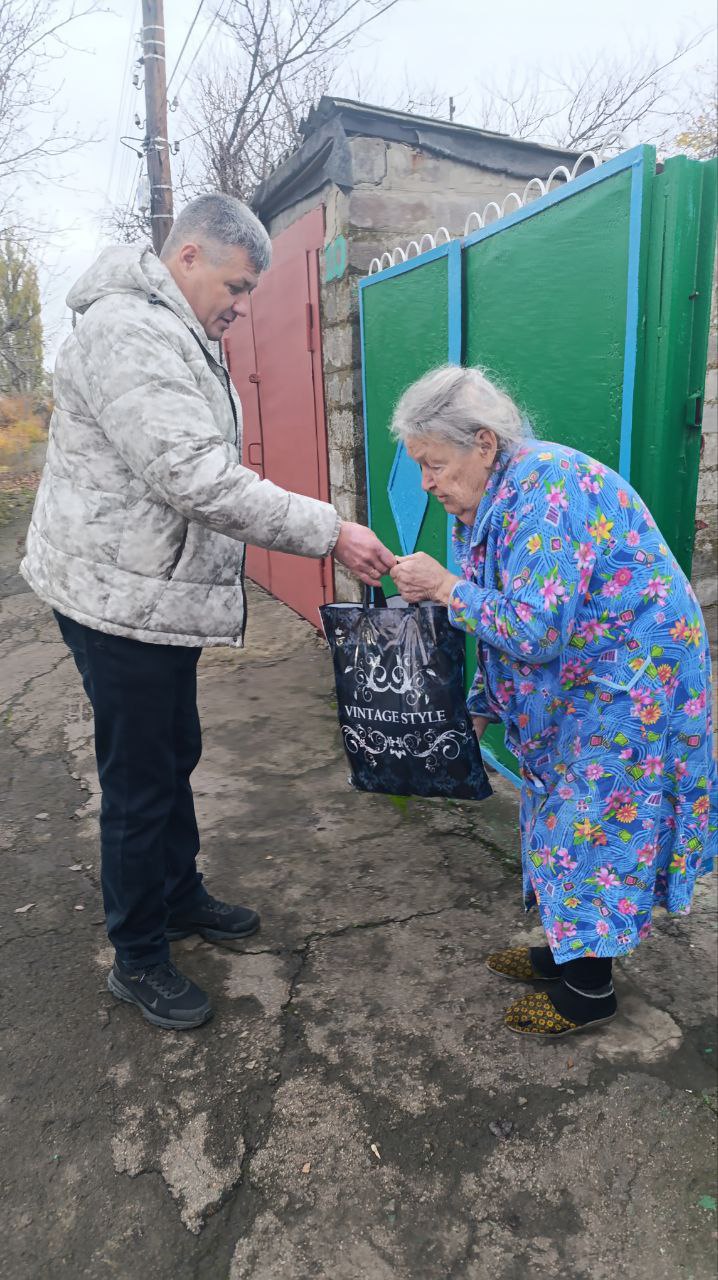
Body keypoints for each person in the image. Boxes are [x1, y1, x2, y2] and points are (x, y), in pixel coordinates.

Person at [20, 194, 395, 1031]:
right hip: (116, 599)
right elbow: (195, 476)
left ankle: (178, 895)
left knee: (171, 751)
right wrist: (331, 532)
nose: (239, 304)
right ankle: (138, 954)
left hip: (150, 590)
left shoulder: (175, 327)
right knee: (139, 780)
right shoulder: (129, 333)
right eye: (234, 285)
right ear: (187, 255)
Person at [389, 365, 716, 1038]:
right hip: (585, 671)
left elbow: (534, 629)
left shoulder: (548, 490)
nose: (427, 482)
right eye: (420, 466)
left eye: (434, 464)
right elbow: (496, 615)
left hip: (633, 674)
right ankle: (570, 949)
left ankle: (589, 990)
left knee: (592, 822)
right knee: (557, 812)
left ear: (483, 443)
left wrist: (447, 589)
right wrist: (481, 701)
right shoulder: (480, 502)